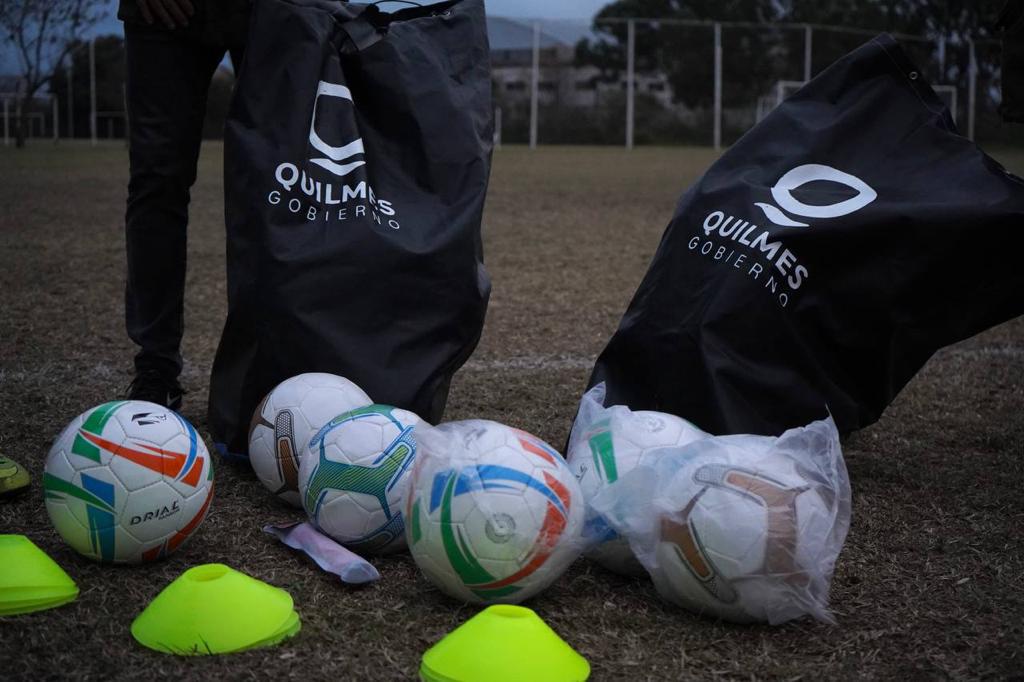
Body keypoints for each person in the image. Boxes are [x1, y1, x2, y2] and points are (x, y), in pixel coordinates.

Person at [119, 0, 251, 409]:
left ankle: (273, 364)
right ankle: (155, 368)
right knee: (157, 181)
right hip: (166, 12)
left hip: (271, 10)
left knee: (280, 180)